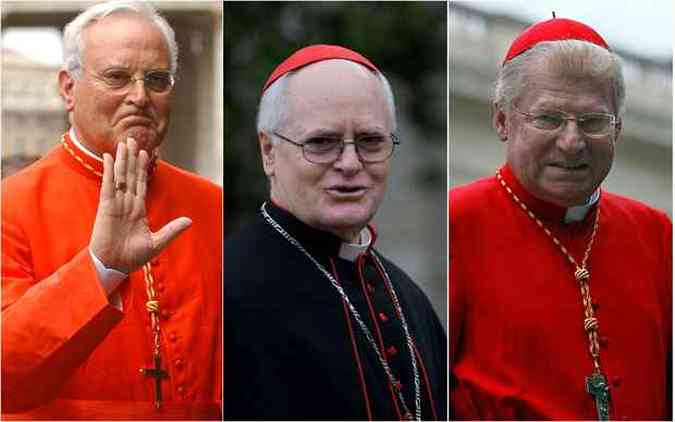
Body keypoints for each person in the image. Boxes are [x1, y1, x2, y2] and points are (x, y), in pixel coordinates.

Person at [1, 1, 222, 419]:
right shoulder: (9, 207)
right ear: (69, 88)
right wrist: (101, 268)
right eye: (117, 77)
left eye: (157, 80)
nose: (140, 97)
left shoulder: (212, 205)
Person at [450, 17, 671, 420]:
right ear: (502, 120)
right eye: (549, 119)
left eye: (593, 122)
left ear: (617, 130)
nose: (572, 143)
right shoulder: (456, 223)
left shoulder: (657, 234)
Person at [223, 44, 446, 420]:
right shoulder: (226, 288)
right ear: (269, 152)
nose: (349, 163)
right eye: (321, 143)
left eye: (370, 141)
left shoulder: (410, 300)